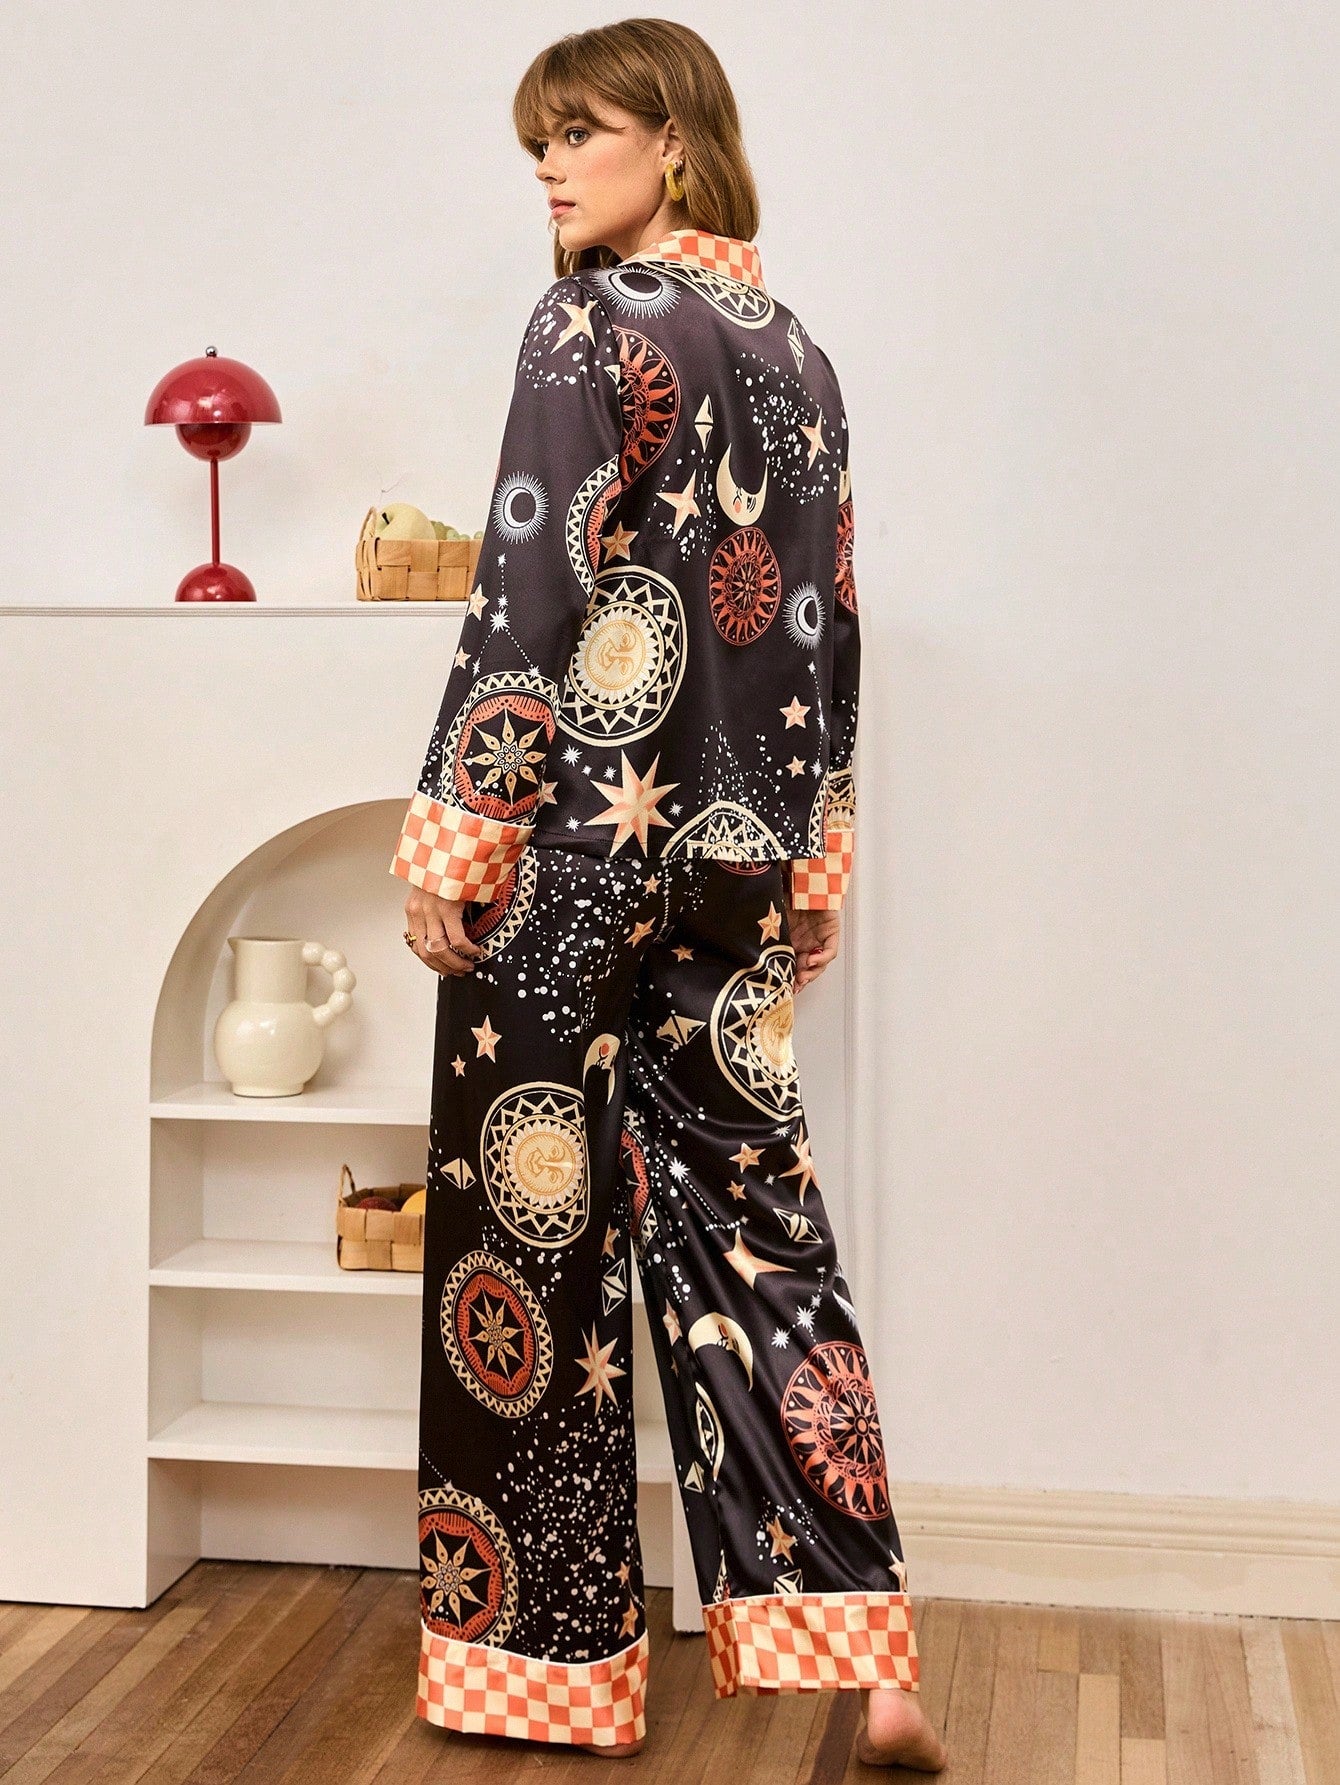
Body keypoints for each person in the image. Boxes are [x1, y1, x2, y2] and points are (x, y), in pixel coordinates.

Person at [391, 18, 947, 1773]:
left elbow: (528, 583)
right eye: (539, 143)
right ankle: (870, 1652)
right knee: (757, 1233)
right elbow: (825, 624)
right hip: (731, 860)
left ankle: (546, 1667)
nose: (552, 169)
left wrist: (457, 838)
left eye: (582, 133)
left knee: (530, 1246)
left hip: (570, 858)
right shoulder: (804, 355)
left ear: (676, 145)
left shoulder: (588, 324)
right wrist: (815, 854)